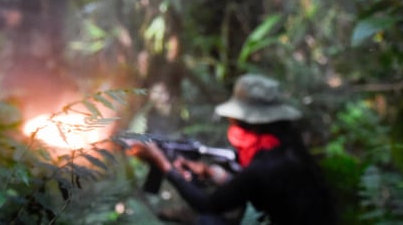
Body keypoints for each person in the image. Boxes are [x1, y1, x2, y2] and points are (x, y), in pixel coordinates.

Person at [127, 74, 338, 225]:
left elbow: (208, 205)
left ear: (250, 123)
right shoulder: (288, 148)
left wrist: (163, 164)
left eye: (233, 120)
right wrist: (210, 174)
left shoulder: (264, 166)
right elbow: (263, 188)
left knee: (208, 220)